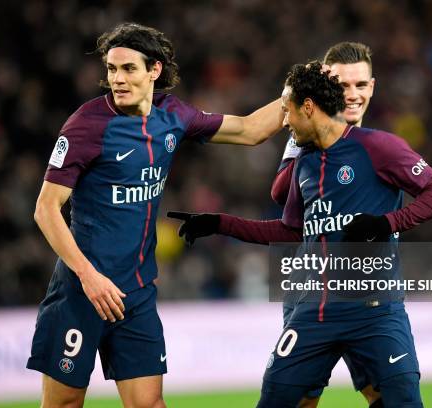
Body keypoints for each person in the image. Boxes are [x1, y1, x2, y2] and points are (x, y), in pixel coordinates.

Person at [168, 61, 432, 407]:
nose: (284, 122)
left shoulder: (378, 146)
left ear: (308, 107)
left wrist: (388, 223)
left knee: (402, 401)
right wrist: (218, 223)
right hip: (315, 313)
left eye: (287, 112)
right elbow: (292, 232)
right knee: (274, 399)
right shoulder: (303, 165)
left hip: (375, 311)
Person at [26, 22, 283, 408]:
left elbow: (249, 130)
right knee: (62, 404)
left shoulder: (174, 115)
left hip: (137, 293)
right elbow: (46, 210)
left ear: (154, 71)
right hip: (82, 291)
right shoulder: (86, 125)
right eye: (112, 69)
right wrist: (89, 276)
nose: (117, 79)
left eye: (129, 69)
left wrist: (299, 91)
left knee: (150, 404)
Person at [275, 42, 381, 408]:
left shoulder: (380, 147)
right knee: (301, 400)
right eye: (341, 85)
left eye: (360, 85)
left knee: (382, 392)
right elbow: (280, 196)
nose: (351, 94)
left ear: (372, 86)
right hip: (312, 287)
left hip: (367, 289)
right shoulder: (304, 140)